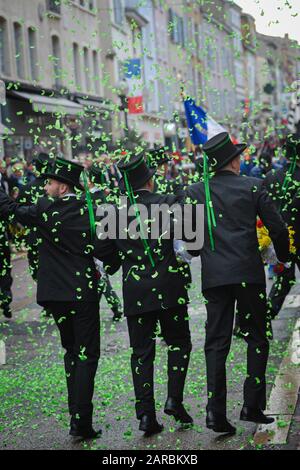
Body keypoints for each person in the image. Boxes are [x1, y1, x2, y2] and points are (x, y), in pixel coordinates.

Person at [185, 132, 290, 434]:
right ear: (233, 160)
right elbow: (278, 228)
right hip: (248, 274)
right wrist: (282, 257)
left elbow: (191, 246)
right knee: (257, 337)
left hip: (215, 277)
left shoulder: (195, 190)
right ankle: (252, 405)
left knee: (216, 344)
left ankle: (214, 412)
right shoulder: (253, 186)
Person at [0, 157, 102, 439]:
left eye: (50, 182)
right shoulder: (89, 210)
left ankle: (76, 418)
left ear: (63, 186)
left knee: (72, 351)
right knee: (87, 354)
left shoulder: (44, 210)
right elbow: (106, 247)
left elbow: (9, 209)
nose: (45, 187)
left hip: (56, 296)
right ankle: (81, 420)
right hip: (83, 295)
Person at [95, 153, 193, 436]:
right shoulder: (167, 202)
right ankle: (174, 398)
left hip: (135, 290)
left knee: (141, 353)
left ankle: (146, 416)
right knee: (178, 343)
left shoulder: (112, 212)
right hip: (170, 286)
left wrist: (120, 256)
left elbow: (103, 255)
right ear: (150, 180)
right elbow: (191, 238)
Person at [263, 133, 300, 319]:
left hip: (278, 237)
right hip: (296, 235)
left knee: (284, 279)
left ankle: (264, 317)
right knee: (284, 279)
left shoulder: (271, 177)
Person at [88, 163, 123, 321]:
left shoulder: (89, 199)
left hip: (95, 243)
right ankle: (115, 306)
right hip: (107, 244)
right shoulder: (106, 196)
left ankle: (110, 307)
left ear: (91, 181)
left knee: (100, 277)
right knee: (101, 277)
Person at [17, 153, 51, 281]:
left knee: (38, 275)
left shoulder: (27, 187)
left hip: (35, 236)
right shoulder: (58, 187)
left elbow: (19, 214)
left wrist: (27, 230)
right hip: (56, 238)